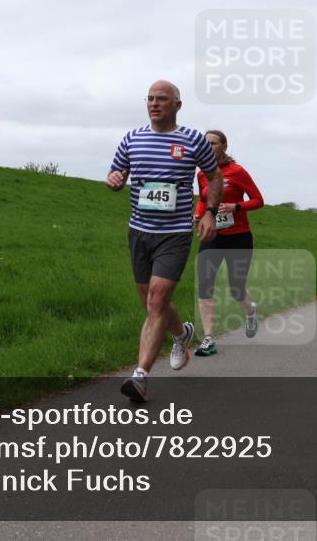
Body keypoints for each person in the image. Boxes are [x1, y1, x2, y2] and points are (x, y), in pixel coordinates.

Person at [107, 79, 223, 402]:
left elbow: (214, 177)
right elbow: (116, 174)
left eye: (162, 99)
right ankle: (182, 333)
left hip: (175, 233)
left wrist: (210, 211)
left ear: (177, 105)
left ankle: (140, 375)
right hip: (139, 231)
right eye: (150, 99)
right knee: (149, 300)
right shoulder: (132, 138)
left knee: (157, 301)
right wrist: (114, 180)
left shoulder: (192, 141)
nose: (154, 103)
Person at [192, 130, 264, 356]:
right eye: (205, 143)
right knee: (205, 284)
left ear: (224, 145)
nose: (208, 146)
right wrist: (199, 215)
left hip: (238, 236)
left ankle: (251, 311)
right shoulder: (202, 173)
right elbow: (203, 200)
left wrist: (236, 207)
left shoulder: (237, 171)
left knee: (236, 288)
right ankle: (208, 338)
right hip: (212, 236)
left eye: (212, 143)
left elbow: (258, 200)